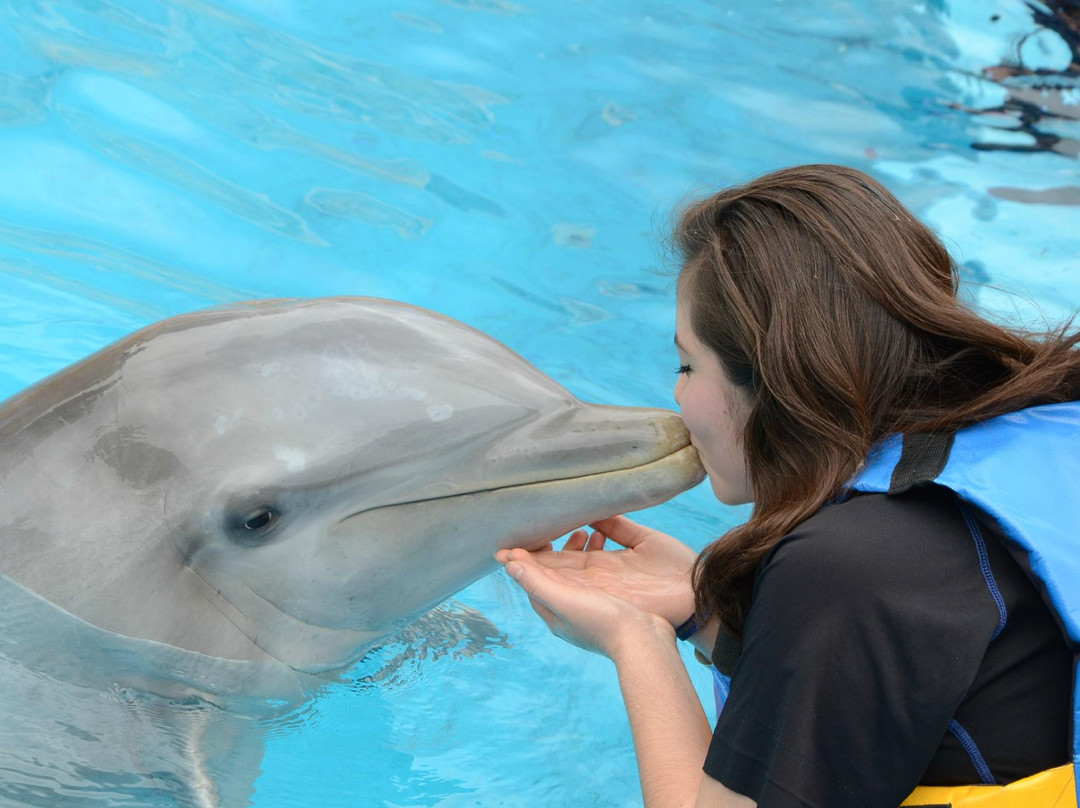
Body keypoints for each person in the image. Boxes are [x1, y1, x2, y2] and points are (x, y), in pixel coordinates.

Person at [495, 164, 1080, 808]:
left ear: (772, 383)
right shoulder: (1043, 428)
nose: (676, 397)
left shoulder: (848, 567)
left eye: (688, 364)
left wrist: (636, 639)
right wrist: (713, 611)